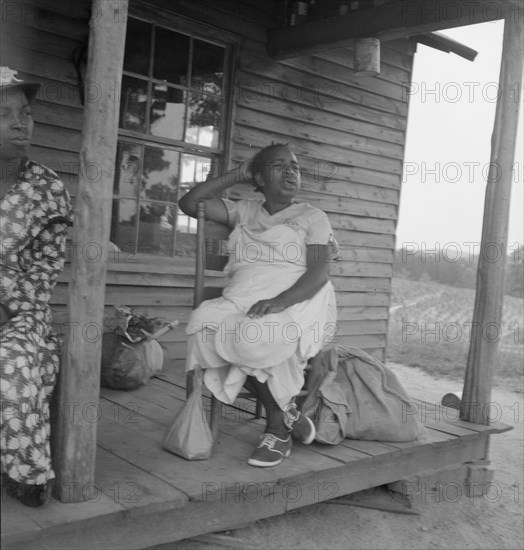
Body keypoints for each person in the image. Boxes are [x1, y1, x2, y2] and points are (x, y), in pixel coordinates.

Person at [179, 143, 338, 467]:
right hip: (243, 295)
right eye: (279, 165)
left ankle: (277, 429)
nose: (291, 171)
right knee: (203, 324)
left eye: (294, 165)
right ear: (260, 177)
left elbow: (319, 273)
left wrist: (279, 302)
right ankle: (285, 410)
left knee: (255, 334)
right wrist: (239, 173)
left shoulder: (312, 216)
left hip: (298, 295)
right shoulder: (245, 210)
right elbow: (189, 202)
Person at [0, 67, 73, 506]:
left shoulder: (46, 187)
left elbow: (46, 266)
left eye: (25, 112)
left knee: (20, 362)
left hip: (19, 311)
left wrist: (12, 313)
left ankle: (25, 473)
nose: (19, 121)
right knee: (33, 367)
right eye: (4, 112)